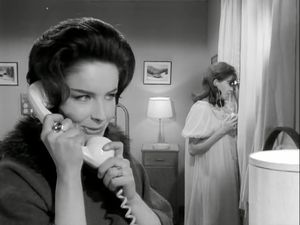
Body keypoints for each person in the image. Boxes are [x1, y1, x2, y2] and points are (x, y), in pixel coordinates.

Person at [0, 17, 173, 225]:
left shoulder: (120, 161)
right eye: (83, 97)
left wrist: (133, 200)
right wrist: (68, 176)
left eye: (110, 95)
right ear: (46, 99)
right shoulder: (17, 178)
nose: (102, 115)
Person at [182, 62, 241, 225]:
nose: (232, 88)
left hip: (224, 174)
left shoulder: (221, 107)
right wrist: (223, 130)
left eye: (234, 84)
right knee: (211, 216)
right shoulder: (200, 108)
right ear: (215, 82)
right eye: (230, 83)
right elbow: (193, 149)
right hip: (209, 175)